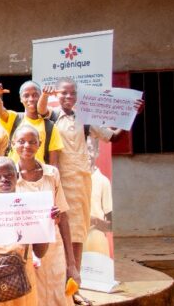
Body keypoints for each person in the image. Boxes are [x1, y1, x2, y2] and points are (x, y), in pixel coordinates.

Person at [37, 78, 131, 281]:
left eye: (72, 93)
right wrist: (44, 94)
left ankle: (74, 282)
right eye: (63, 93)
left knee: (78, 230)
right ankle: (57, 281)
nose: (68, 97)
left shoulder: (86, 118)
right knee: (57, 230)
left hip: (80, 182)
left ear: (77, 96)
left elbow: (112, 137)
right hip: (57, 182)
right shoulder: (51, 115)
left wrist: (129, 117)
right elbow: (41, 108)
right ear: (57, 94)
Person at [0, 157, 51, 306]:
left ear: (18, 176)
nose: (3, 180)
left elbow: (40, 252)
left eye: (9, 175)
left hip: (23, 275)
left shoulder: (30, 206)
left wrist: (47, 223)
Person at [12, 126, 77, 305]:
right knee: (33, 297)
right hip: (23, 250)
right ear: (13, 144)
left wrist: (71, 263)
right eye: (22, 141)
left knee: (58, 296)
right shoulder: (8, 177)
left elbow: (63, 216)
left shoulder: (51, 173)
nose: (27, 146)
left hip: (53, 248)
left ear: (40, 144)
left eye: (33, 142)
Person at [0, 80, 63, 166]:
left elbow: (54, 162)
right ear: (21, 99)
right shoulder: (14, 119)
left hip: (39, 175)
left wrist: (52, 178)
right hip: (15, 174)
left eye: (35, 95)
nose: (31, 99)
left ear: (41, 96)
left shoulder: (50, 126)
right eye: (26, 96)